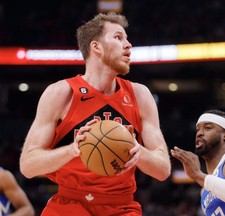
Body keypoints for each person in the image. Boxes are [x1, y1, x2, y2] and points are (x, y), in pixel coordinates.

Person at [19, 12, 171, 216]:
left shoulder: (140, 95)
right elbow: (28, 166)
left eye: (126, 38)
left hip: (121, 206)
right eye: (118, 37)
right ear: (96, 47)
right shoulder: (61, 93)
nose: (128, 45)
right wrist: (73, 150)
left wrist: (138, 151)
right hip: (69, 203)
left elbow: (163, 170)